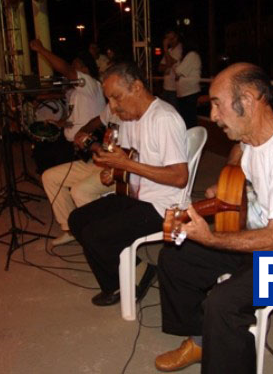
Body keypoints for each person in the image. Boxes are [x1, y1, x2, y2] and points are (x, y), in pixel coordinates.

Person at [155, 63, 273, 374]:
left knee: (223, 303)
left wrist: (210, 238)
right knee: (176, 258)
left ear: (248, 101)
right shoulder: (254, 137)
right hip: (264, 242)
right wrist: (228, 178)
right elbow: (240, 149)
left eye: (217, 104)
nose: (212, 116)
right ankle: (200, 340)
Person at [68, 62, 189, 307]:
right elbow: (131, 158)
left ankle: (122, 286)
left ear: (136, 87)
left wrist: (127, 166)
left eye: (116, 97)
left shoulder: (163, 118)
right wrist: (114, 171)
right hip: (136, 197)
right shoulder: (130, 118)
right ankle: (138, 271)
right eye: (109, 99)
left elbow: (179, 177)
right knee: (77, 220)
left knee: (95, 235)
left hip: (164, 206)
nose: (112, 106)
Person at [41, 104, 125, 246]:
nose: (110, 100)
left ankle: (104, 239)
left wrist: (95, 147)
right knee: (49, 177)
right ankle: (70, 230)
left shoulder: (135, 115)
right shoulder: (113, 105)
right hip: (99, 162)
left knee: (79, 191)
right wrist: (81, 132)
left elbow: (129, 157)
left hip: (119, 169)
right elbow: (96, 121)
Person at [29, 39, 106, 173]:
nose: (71, 72)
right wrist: (59, 123)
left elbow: (65, 69)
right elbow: (74, 116)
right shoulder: (76, 92)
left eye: (75, 67)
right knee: (40, 150)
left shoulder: (91, 84)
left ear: (85, 69)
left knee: (49, 160)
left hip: (82, 146)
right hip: (69, 140)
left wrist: (42, 50)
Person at [173, 32, 202, 128]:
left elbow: (177, 70)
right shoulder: (185, 56)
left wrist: (178, 73)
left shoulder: (192, 55)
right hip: (184, 93)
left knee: (190, 121)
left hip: (190, 93)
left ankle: (192, 141)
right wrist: (178, 73)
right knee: (186, 120)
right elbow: (176, 69)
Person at [158, 29, 182, 110]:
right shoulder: (169, 51)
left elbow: (169, 63)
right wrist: (167, 65)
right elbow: (160, 68)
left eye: (171, 39)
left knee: (174, 112)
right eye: (168, 39)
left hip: (174, 89)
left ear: (176, 38)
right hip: (166, 87)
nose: (169, 41)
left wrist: (165, 48)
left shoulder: (180, 49)